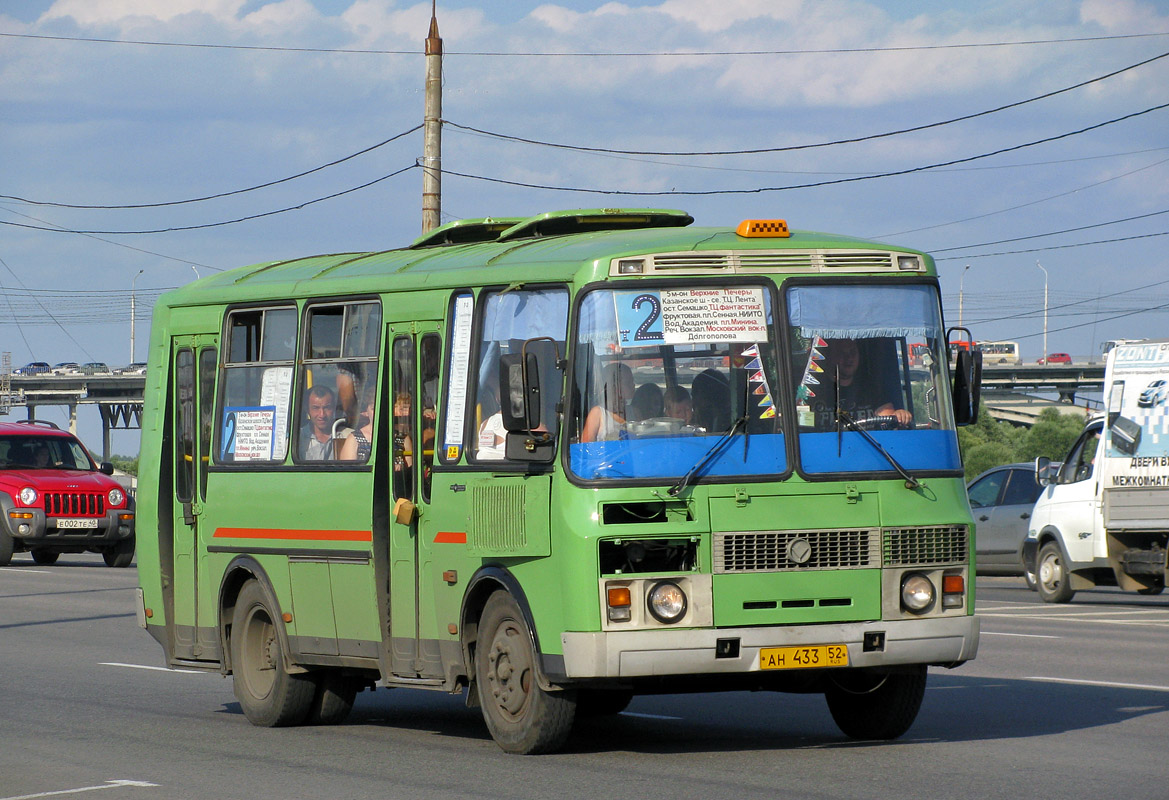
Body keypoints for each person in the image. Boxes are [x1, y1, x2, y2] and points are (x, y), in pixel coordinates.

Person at [819, 338, 911, 427]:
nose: (849, 357)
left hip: (868, 443)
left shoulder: (871, 389)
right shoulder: (814, 390)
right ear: (829, 355)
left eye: (852, 352)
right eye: (842, 353)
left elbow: (889, 420)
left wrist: (899, 416)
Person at [581, 362, 635, 443]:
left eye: (632, 381)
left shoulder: (633, 412)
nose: (633, 385)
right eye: (628, 382)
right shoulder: (598, 413)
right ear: (614, 385)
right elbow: (586, 448)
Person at [339, 385, 375, 462]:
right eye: (373, 409)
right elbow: (348, 471)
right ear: (366, 412)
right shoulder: (354, 439)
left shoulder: (401, 438)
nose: (378, 412)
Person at [300, 384, 337, 460]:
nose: (322, 415)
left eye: (327, 408)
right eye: (315, 408)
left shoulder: (347, 437)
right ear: (307, 409)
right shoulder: (298, 439)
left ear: (334, 408)